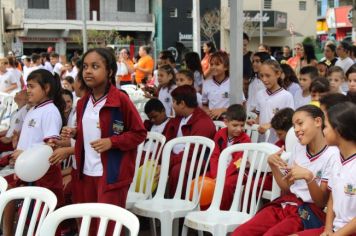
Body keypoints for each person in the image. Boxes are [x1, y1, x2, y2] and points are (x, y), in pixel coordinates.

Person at [232, 105, 339, 236]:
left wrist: (309, 177)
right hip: (287, 203)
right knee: (241, 232)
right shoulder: (297, 148)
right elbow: (287, 187)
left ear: (317, 122)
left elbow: (321, 202)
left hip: (308, 213)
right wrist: (273, 165)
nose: (296, 130)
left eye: (300, 123)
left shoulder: (333, 154)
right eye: (294, 126)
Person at [74, 48, 146, 235]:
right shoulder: (82, 103)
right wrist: (74, 132)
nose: (88, 71)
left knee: (109, 227)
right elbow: (89, 132)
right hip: (85, 172)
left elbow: (139, 133)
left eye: (95, 66)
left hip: (111, 174)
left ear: (110, 72)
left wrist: (112, 142)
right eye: (85, 67)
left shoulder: (120, 100)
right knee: (87, 225)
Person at [5, 69, 66, 236]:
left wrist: (24, 154)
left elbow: (50, 145)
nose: (27, 91)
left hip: (44, 175)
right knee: (29, 214)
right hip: (29, 172)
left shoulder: (50, 111)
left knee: (42, 219)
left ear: (46, 88)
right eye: (27, 86)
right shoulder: (33, 109)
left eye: (31, 86)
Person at [296, 102, 356, 236]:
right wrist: (328, 230)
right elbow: (332, 199)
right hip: (335, 229)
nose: (323, 131)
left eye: (326, 127)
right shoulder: (336, 157)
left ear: (339, 130)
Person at [164, 85, 216, 197]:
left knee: (178, 170)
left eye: (173, 101)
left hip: (198, 159)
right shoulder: (178, 118)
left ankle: (178, 206)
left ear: (182, 104)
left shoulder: (203, 122)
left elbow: (192, 152)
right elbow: (166, 140)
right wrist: (161, 159)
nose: (172, 105)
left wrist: (168, 161)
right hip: (177, 157)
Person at [208, 104, 251, 210]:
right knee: (205, 179)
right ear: (226, 122)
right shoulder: (220, 134)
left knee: (226, 185)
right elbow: (214, 156)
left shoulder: (245, 139)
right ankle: (205, 210)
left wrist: (221, 177)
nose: (239, 129)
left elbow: (238, 162)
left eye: (242, 125)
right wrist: (215, 175)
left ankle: (221, 211)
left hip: (239, 172)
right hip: (219, 171)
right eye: (235, 125)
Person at [250, 60, 294, 143]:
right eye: (261, 76)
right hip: (261, 140)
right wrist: (254, 122)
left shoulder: (287, 96)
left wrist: (271, 125)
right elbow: (259, 116)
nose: (264, 79)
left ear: (278, 74)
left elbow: (288, 119)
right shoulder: (260, 94)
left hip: (277, 142)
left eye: (267, 76)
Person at [202, 51, 237, 120]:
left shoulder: (233, 83)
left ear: (226, 67)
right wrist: (207, 111)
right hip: (212, 121)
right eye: (211, 64)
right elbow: (204, 105)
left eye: (217, 64)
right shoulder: (206, 84)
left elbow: (240, 106)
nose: (213, 67)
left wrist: (222, 110)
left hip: (229, 122)